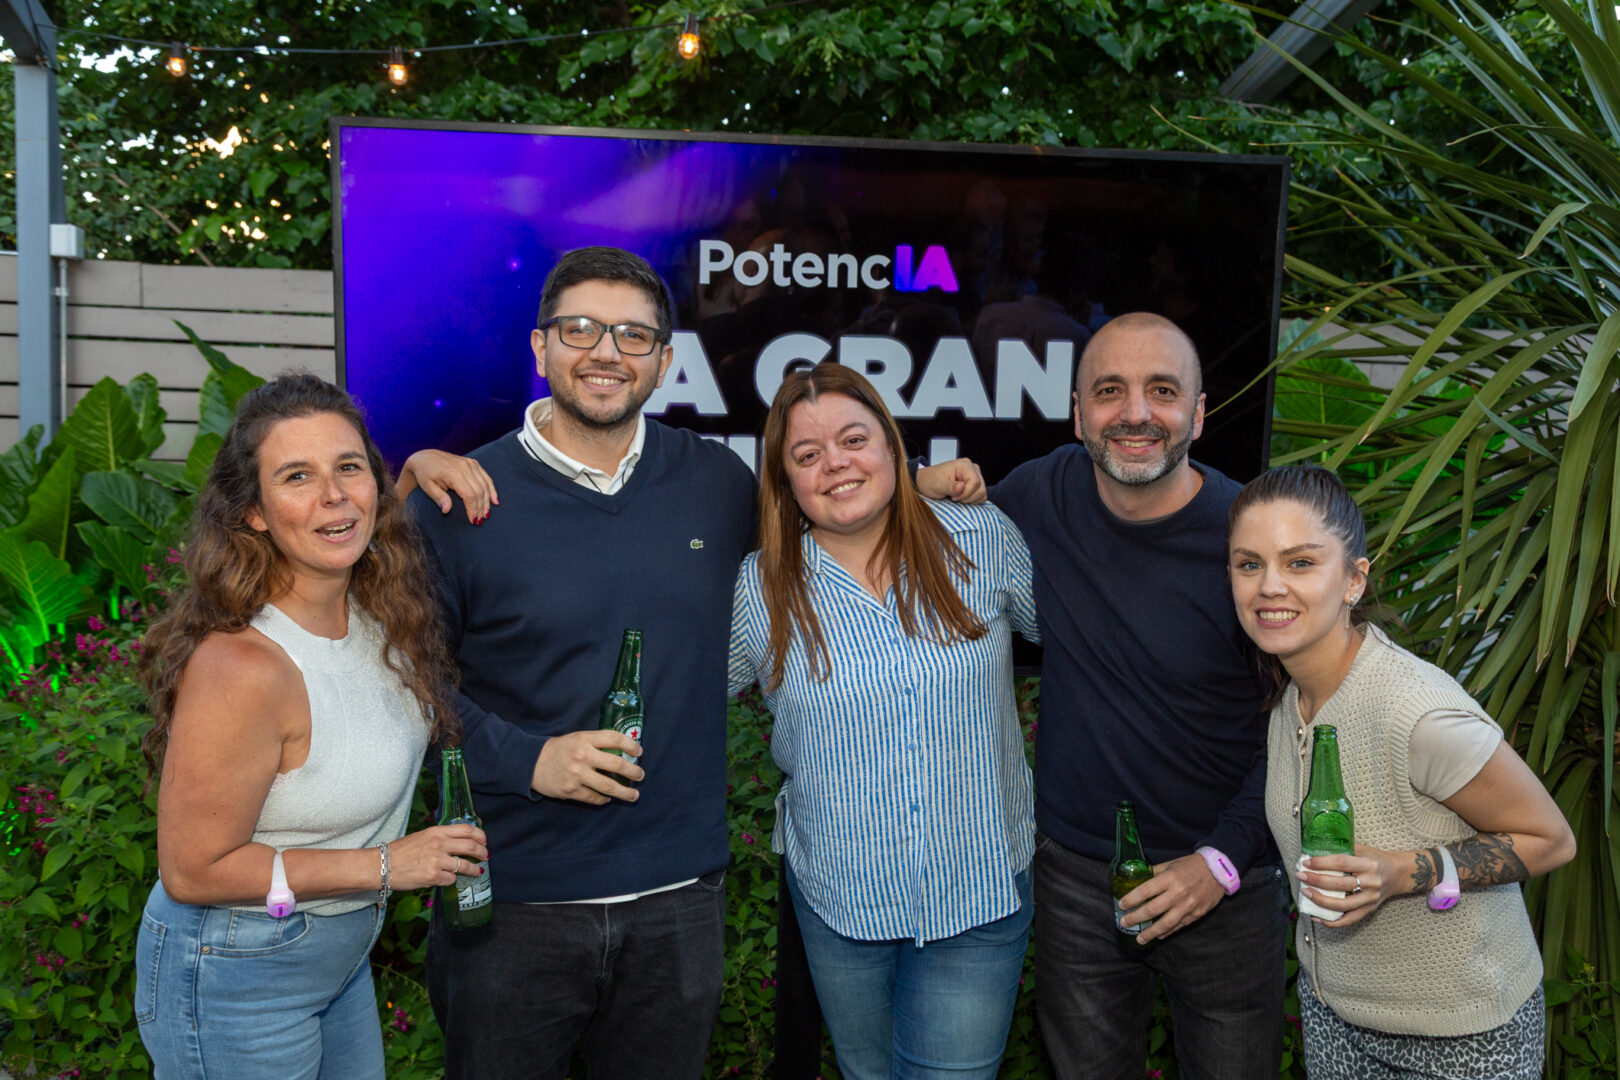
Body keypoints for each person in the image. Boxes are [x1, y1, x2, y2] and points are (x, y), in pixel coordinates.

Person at [402, 246, 758, 1080]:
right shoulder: (461, 499)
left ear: (663, 361)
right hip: (512, 905)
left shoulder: (718, 483)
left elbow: (840, 516)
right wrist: (527, 760)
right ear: (541, 347)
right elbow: (407, 684)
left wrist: (924, 489)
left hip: (678, 903)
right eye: (581, 329)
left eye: (634, 335)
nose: (607, 352)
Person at [955, 312, 1288, 1079]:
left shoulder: (1253, 540)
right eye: (1110, 391)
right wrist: (929, 480)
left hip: (1226, 883)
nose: (1136, 413)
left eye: (1162, 391)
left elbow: (1306, 720)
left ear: (1198, 415)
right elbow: (906, 520)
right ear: (1079, 415)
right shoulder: (1042, 494)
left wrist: (1222, 861)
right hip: (1076, 879)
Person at [133, 372, 488, 1080]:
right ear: (254, 512)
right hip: (238, 967)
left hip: (336, 956)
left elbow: (358, 519)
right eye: (297, 476)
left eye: (348, 467)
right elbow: (193, 870)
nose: (333, 495)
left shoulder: (374, 606)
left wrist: (415, 468)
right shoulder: (244, 667)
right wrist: (388, 866)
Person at [727, 363, 1039, 1080]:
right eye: (807, 454)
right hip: (842, 899)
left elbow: (1070, 634)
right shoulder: (761, 589)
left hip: (978, 887)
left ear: (892, 447)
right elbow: (683, 696)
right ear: (786, 481)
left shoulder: (978, 537)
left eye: (854, 439)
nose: (835, 463)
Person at [1227, 464, 1575, 1079]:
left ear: (1353, 579)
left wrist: (1403, 872)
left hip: (1462, 1037)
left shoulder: (1416, 712)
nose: (1270, 586)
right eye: (1249, 564)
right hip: (1335, 1017)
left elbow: (1552, 839)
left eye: (1300, 562)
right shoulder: (1291, 697)